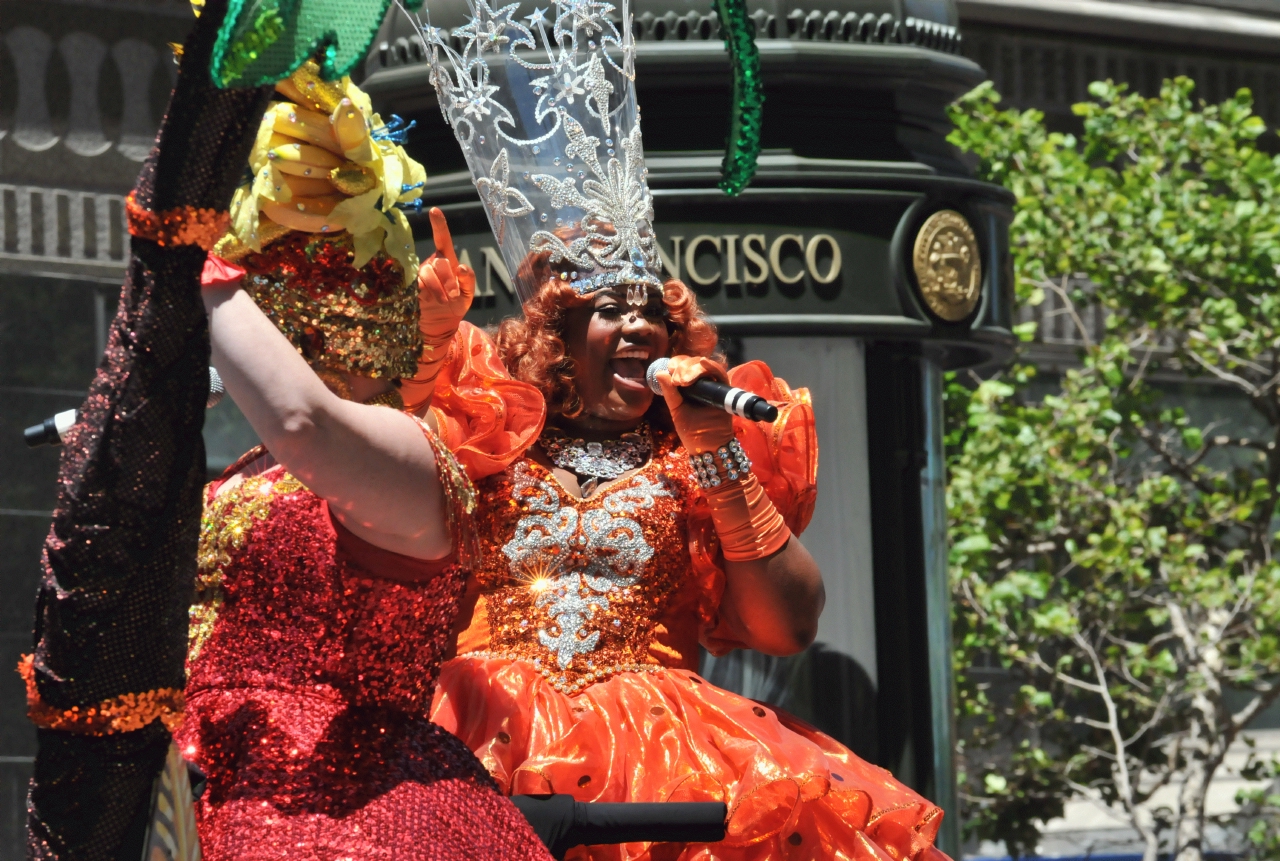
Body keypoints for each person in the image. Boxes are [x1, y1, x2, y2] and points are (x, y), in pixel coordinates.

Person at [403, 2, 958, 858]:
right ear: (557, 335)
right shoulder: (489, 428)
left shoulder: (695, 454)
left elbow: (789, 627)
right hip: (478, 733)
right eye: (608, 313)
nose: (637, 330)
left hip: (658, 761)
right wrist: (425, 345)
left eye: (650, 315)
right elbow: (367, 495)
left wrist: (714, 449)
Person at [178, 59, 551, 861]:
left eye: (269, 283)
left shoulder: (416, 457)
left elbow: (304, 420)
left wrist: (196, 264)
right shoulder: (246, 470)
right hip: (191, 795)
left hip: (341, 819)